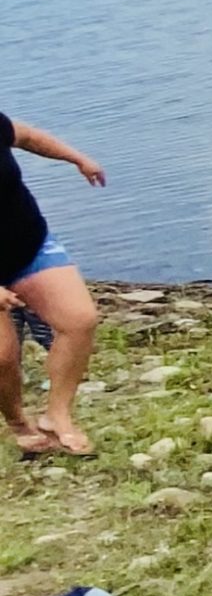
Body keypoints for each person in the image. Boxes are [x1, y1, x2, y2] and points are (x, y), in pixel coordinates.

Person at [0, 112, 105, 457]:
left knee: (79, 320)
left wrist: (77, 158)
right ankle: (18, 423)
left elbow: (28, 136)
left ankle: (56, 416)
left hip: (29, 244)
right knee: (2, 357)